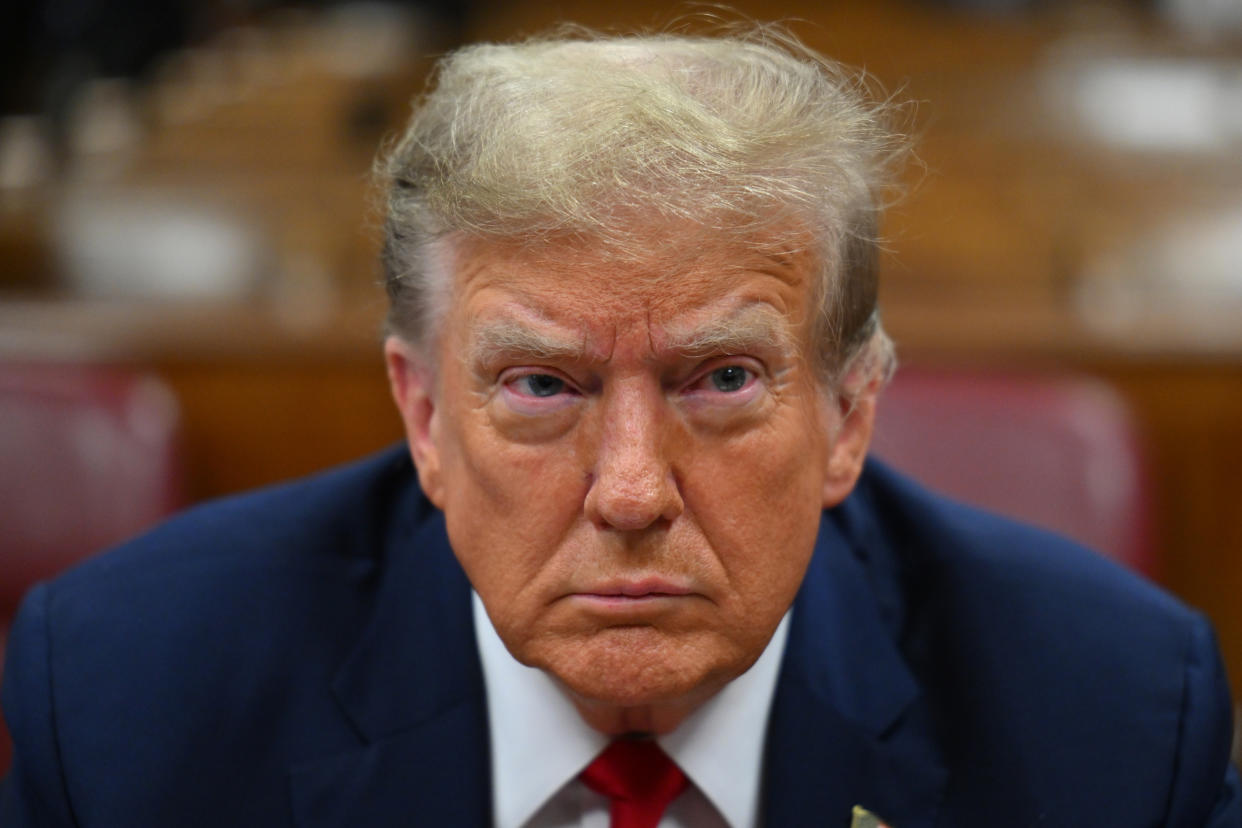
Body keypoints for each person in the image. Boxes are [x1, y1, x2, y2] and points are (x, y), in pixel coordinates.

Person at [2, 24, 1239, 828]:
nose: (633, 491)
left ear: (851, 415)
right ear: (425, 416)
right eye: (542, 387)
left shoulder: (1112, 726)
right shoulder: (130, 703)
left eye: (722, 380)